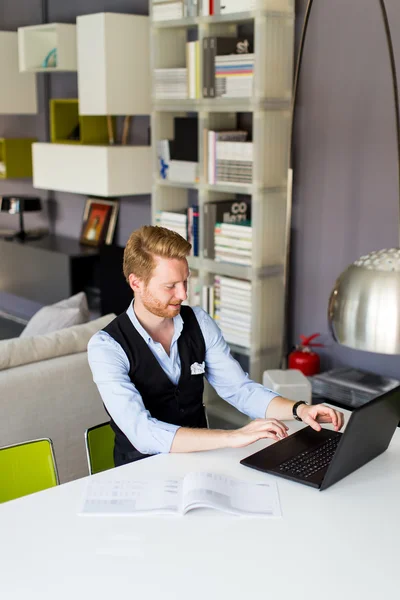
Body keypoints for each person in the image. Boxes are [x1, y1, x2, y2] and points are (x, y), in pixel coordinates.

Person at [88, 225, 344, 466]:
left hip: (202, 462)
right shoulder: (106, 347)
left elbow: (239, 390)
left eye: (185, 281)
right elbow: (142, 433)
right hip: (142, 472)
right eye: (170, 286)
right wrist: (232, 437)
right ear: (136, 283)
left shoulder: (198, 321)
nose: (183, 294)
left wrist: (300, 409)